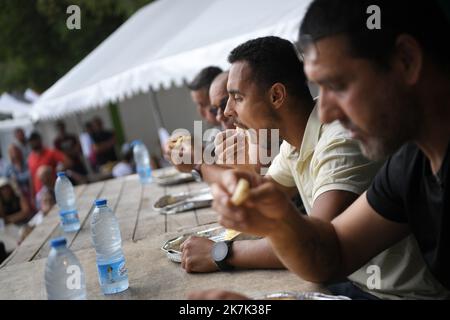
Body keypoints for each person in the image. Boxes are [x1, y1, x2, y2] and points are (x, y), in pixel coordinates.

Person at [192, 0, 450, 299]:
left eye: (338, 85)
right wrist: (278, 220)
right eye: (319, 87)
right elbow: (332, 252)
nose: (324, 112)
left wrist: (222, 253)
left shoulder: (344, 139)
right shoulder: (410, 161)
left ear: (406, 60)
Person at [27, 132, 70, 198]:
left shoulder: (50, 152)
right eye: (31, 141)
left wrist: (57, 170)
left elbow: (67, 161)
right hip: (40, 195)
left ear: (39, 140)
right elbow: (32, 178)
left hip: (54, 190)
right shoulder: (30, 158)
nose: (33, 142)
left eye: (35, 140)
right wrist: (32, 196)